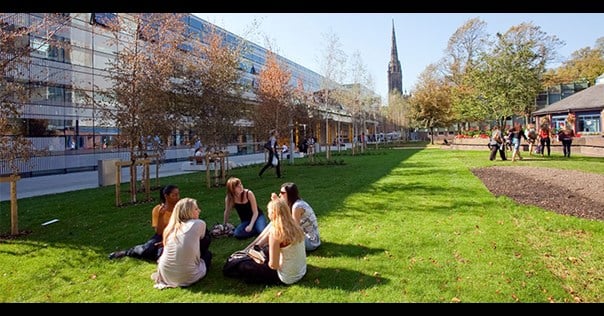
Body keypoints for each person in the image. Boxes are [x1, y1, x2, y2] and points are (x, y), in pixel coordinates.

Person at [225, 194, 306, 285]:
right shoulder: (295, 226)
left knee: (245, 266)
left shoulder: (276, 233)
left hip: (287, 277)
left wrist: (262, 261)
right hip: (301, 271)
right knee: (265, 251)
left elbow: (273, 265)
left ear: (273, 214)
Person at [151, 197, 211, 289]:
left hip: (165, 274)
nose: (199, 210)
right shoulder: (198, 223)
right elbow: (204, 241)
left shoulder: (169, 228)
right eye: (196, 209)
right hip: (187, 276)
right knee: (207, 254)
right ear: (187, 211)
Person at [109, 184, 180, 260]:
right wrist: (160, 216)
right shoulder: (157, 210)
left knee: (161, 254)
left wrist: (166, 241)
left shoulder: (181, 208)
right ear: (166, 196)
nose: (178, 197)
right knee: (147, 250)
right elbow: (159, 232)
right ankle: (126, 252)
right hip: (161, 235)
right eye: (174, 195)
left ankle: (157, 252)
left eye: (178, 194)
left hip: (177, 236)